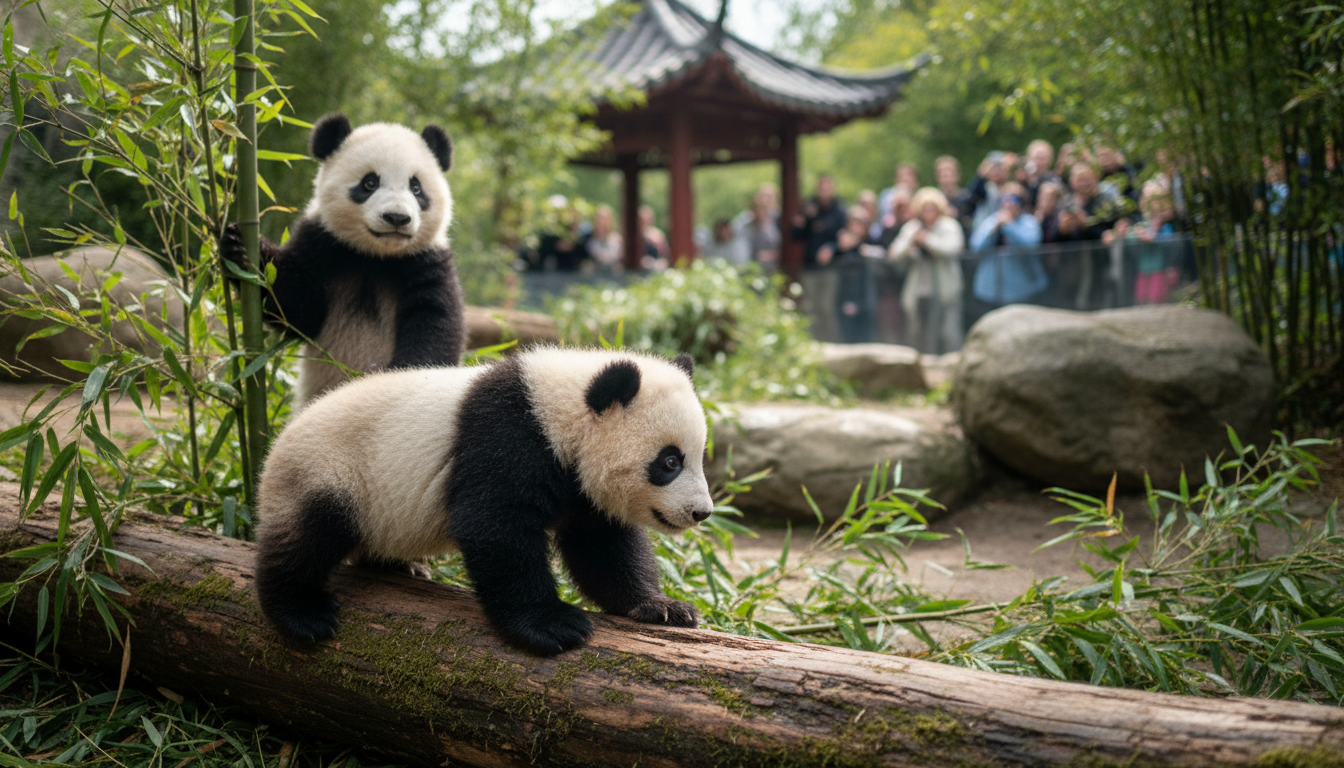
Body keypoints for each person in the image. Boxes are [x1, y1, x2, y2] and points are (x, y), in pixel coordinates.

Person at [888, 187, 965, 354]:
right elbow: (895, 253)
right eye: (925, 209)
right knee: (919, 331)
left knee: (948, 331)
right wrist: (911, 244)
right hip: (919, 291)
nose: (928, 213)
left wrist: (927, 241)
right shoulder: (913, 228)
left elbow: (952, 248)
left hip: (946, 289)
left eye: (932, 209)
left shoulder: (948, 226)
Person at [969, 185, 1046, 318]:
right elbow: (976, 247)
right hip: (991, 289)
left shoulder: (1028, 222)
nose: (1009, 204)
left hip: (1022, 288)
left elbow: (1029, 246)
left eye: (1014, 200)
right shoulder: (992, 221)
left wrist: (1009, 226)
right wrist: (995, 228)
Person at [791, 174, 847, 340]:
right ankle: (813, 343)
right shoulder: (809, 208)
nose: (823, 192)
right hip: (810, 267)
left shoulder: (839, 211)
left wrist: (832, 249)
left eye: (827, 188)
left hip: (831, 268)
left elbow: (846, 239)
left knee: (826, 307)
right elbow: (795, 235)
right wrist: (805, 219)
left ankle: (832, 342)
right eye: (821, 188)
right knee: (810, 308)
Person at [1105, 181, 1179, 304]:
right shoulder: (1142, 224)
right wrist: (1124, 235)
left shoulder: (1166, 225)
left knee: (1157, 299)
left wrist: (1154, 239)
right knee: (1141, 298)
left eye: (1159, 200)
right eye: (1153, 201)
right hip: (1143, 269)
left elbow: (1170, 242)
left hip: (1160, 269)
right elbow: (1130, 241)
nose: (1156, 204)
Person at [833, 209, 880, 343]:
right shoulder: (842, 250)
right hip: (847, 302)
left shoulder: (871, 245)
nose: (855, 229)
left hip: (867, 303)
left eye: (859, 224)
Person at [734, 190, 781, 272]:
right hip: (751, 268)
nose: (759, 212)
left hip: (773, 268)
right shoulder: (746, 228)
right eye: (756, 209)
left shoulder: (775, 227)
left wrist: (770, 255)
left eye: (761, 209)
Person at [585, 204, 624, 274]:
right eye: (599, 218)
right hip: (594, 274)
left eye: (605, 219)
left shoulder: (617, 239)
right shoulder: (587, 239)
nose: (602, 222)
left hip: (613, 274)